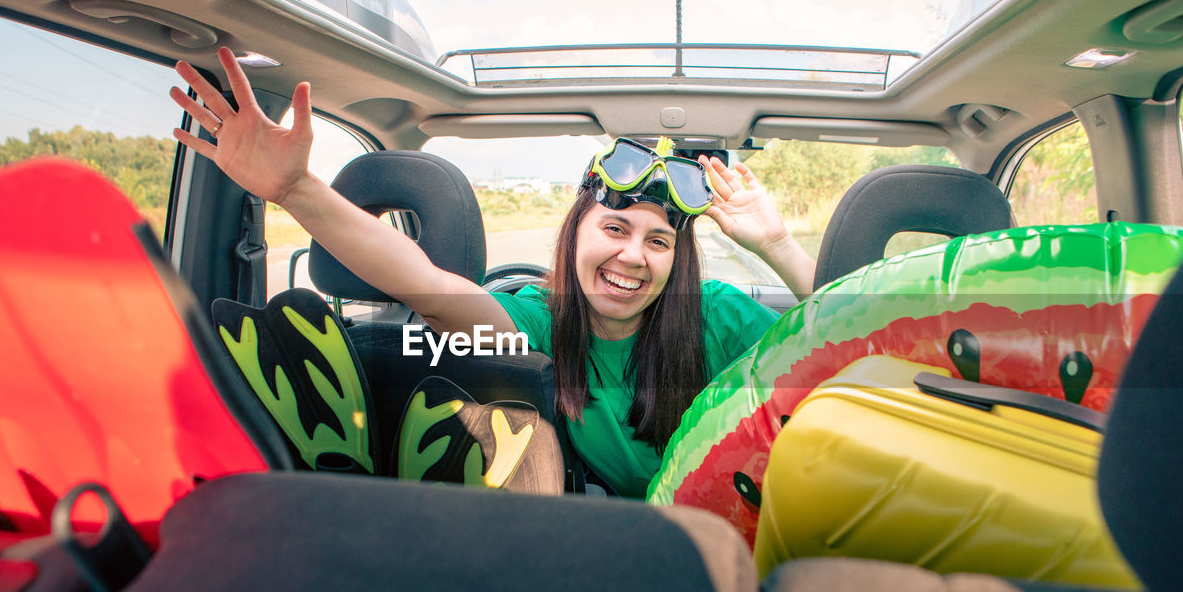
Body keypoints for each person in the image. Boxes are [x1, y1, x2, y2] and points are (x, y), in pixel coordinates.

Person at [171, 48, 815, 499]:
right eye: (614, 230)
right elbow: (434, 290)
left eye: (659, 242)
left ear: (678, 261)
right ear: (575, 236)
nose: (633, 257)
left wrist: (779, 243)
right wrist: (296, 190)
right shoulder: (540, 320)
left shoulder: (718, 314)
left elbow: (848, 347)